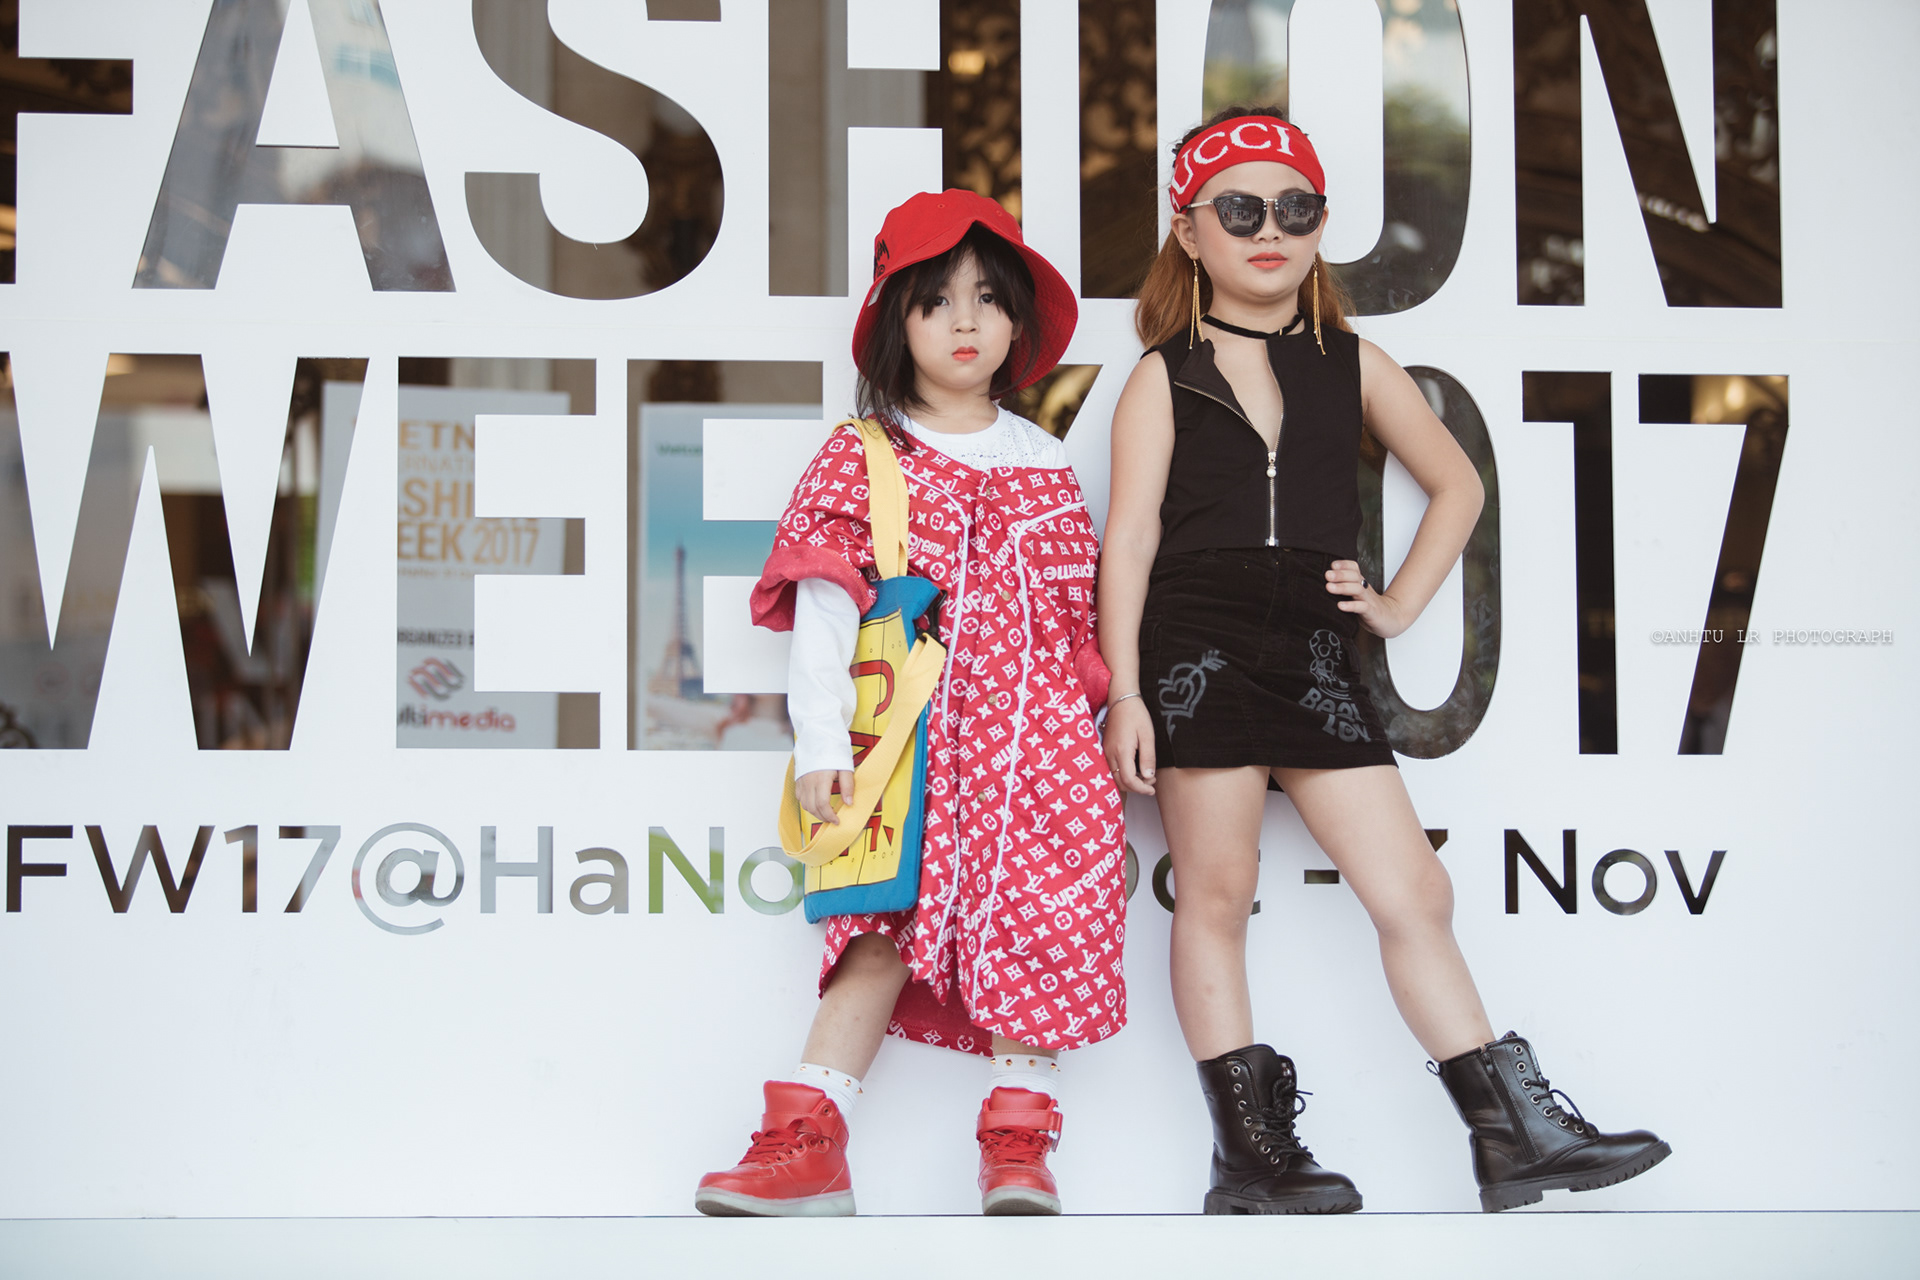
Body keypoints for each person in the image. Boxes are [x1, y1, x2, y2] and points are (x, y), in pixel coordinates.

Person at [1098, 107, 1670, 1214]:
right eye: (1240, 210)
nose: (1271, 229)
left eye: (1296, 208)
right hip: (1198, 643)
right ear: (1190, 230)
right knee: (1216, 894)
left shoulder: (1354, 362)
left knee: (1416, 889)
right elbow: (1128, 538)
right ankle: (1251, 1162)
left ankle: (1513, 1137)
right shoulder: (1162, 376)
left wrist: (1399, 603)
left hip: (1315, 650)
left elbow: (1458, 482)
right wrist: (1126, 688)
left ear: (1321, 224)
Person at [695, 190, 1125, 1218]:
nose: (965, 321)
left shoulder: (1045, 462)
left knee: (1041, 922)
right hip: (907, 747)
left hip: (1037, 750)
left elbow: (1077, 625)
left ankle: (1018, 1145)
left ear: (1018, 320)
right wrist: (819, 742)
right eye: (936, 301)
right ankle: (808, 1144)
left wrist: (1101, 729)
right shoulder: (864, 453)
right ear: (898, 321)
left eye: (988, 299)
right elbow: (825, 606)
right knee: (875, 927)